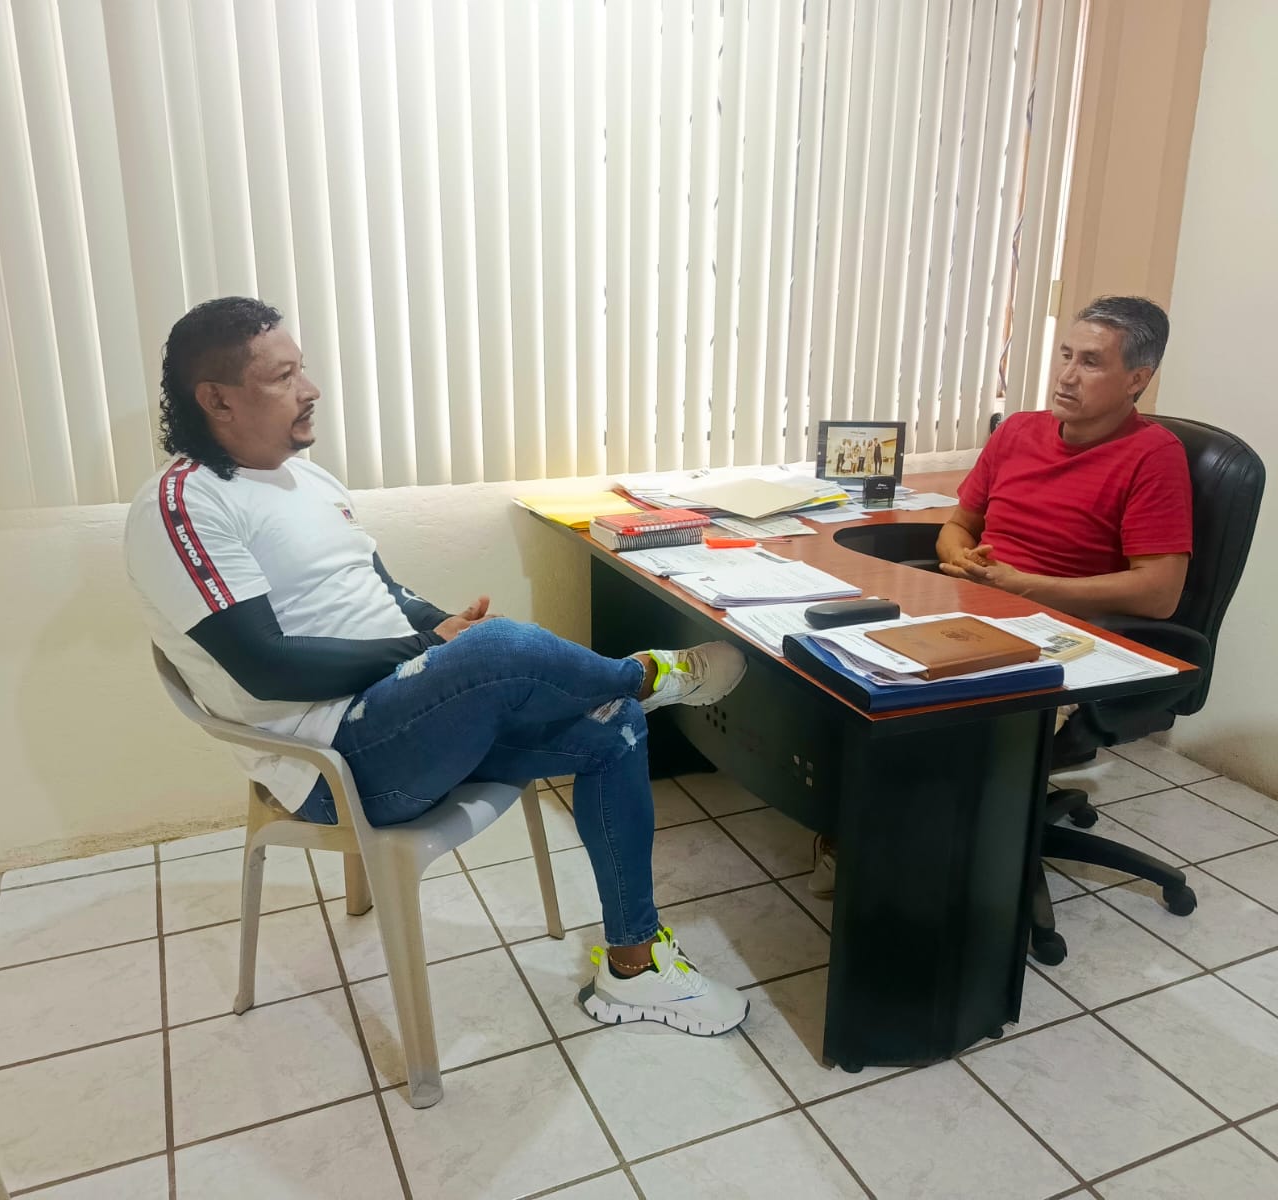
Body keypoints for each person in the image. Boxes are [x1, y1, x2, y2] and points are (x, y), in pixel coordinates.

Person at [126, 297, 752, 1036]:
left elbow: (380, 591)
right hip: (336, 763)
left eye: (303, 370)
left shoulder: (309, 480)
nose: (310, 389)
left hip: (406, 717)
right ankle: (646, 677)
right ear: (218, 399)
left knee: (610, 727)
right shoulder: (184, 505)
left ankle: (634, 966)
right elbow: (265, 668)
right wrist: (437, 651)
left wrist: (437, 623)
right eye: (284, 376)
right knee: (504, 651)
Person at [808, 296, 1192, 898]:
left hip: (1060, 636)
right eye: (1066, 355)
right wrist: (959, 555)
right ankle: (863, 831)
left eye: (1091, 362)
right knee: (834, 670)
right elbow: (958, 525)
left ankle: (905, 872)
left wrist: (1027, 587)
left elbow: (1160, 592)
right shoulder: (1017, 431)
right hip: (970, 610)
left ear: (1137, 380)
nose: (1067, 375)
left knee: (914, 718)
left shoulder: (1154, 456)